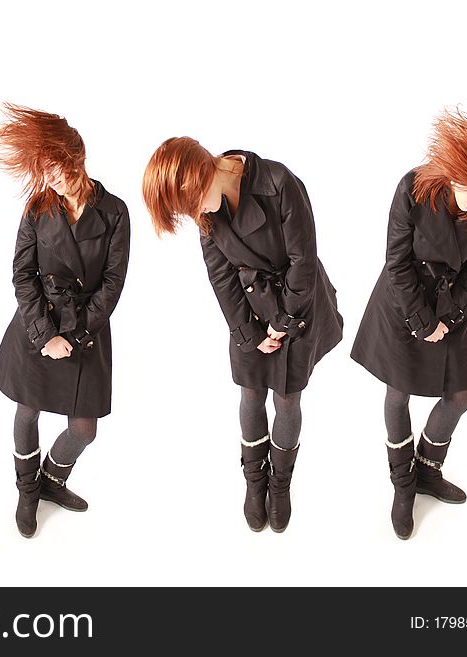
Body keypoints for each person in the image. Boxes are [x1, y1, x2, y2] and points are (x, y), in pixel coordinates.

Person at [143, 139, 342, 532]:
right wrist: (249, 332)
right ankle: (254, 483)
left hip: (297, 303)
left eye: (193, 201)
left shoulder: (278, 181)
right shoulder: (206, 214)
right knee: (250, 391)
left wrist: (283, 320)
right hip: (250, 308)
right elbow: (220, 276)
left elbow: (304, 259)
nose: (196, 213)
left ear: (202, 172)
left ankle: (280, 484)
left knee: (287, 398)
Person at [351, 110, 467, 540]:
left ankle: (426, 469)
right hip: (404, 300)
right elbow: (397, 262)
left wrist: (451, 311)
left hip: (454, 302)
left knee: (459, 397)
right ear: (458, 176)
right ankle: (403, 486)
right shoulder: (412, 188)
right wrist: (423, 322)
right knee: (398, 393)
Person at [0, 103, 131, 538]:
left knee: (84, 429)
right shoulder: (37, 208)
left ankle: (51, 479)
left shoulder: (115, 212)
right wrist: (46, 335)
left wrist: (79, 331)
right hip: (37, 325)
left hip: (87, 329)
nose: (49, 176)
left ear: (77, 159)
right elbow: (22, 274)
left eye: (56, 167)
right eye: (43, 169)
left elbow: (113, 280)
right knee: (26, 410)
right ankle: (27, 491)